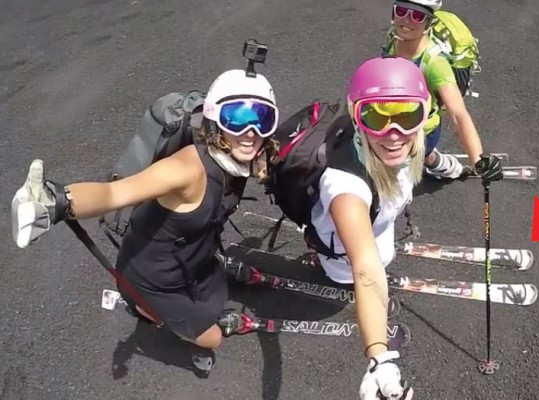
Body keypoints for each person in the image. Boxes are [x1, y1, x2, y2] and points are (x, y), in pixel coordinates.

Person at [10, 68, 281, 357]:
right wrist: (57, 200)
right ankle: (144, 310)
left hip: (192, 253)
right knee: (213, 339)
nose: (251, 133)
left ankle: (205, 279)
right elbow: (115, 193)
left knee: (209, 285)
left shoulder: (244, 155)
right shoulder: (185, 170)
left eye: (263, 119)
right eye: (237, 118)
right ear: (215, 120)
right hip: (155, 277)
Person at [291, 55, 503, 400]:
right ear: (357, 117)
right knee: (355, 271)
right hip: (346, 251)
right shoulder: (345, 188)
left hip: (379, 222)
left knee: (383, 252)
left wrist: (470, 162)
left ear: (425, 114)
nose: (394, 134)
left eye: (408, 115)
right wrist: (380, 356)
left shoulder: (402, 147)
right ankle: (320, 259)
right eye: (375, 117)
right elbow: (366, 270)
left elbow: (425, 141)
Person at [383, 0, 499, 181]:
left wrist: (478, 159)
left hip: (419, 133)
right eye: (402, 11)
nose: (407, 20)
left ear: (428, 23)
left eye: (417, 15)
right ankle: (446, 167)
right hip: (392, 121)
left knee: (392, 175)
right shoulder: (394, 37)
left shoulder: (435, 64)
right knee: (425, 156)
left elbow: (458, 114)